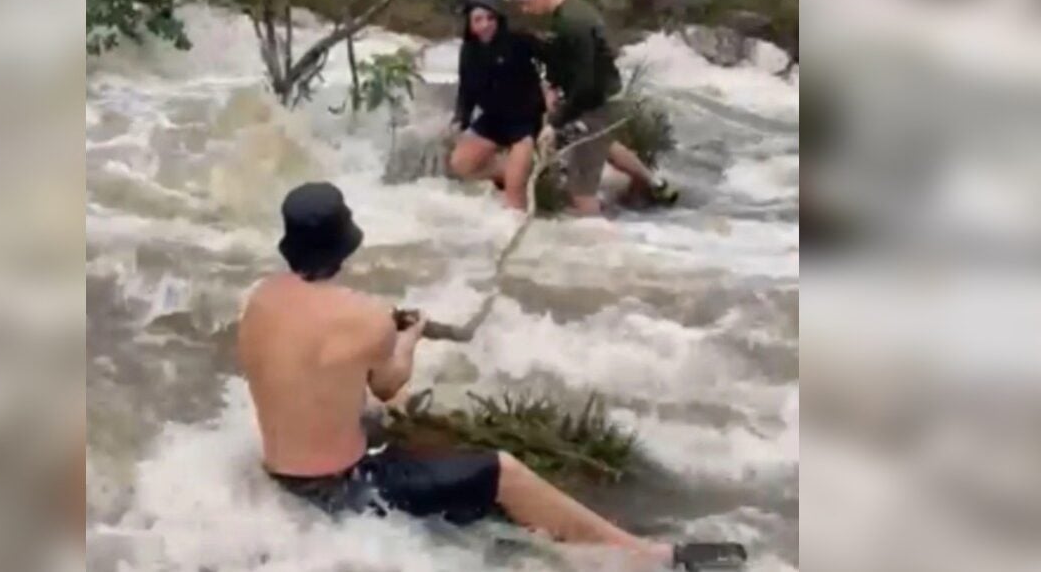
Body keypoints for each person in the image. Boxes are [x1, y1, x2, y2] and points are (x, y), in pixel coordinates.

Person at [236, 182, 746, 570]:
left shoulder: (258, 301)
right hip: (344, 490)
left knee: (376, 420)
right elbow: (390, 385)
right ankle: (648, 557)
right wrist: (409, 336)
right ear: (343, 248)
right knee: (501, 469)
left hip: (281, 474)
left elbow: (314, 366)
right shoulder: (367, 317)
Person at [509, 0, 679, 216]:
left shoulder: (572, 22)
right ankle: (655, 184)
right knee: (604, 144)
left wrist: (555, 122)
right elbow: (572, 61)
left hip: (595, 104)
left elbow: (585, 82)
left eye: (526, 2)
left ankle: (605, 248)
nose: (525, 9)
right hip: (603, 98)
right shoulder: (573, 11)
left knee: (581, 193)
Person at [448, 0, 546, 210]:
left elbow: (555, 60)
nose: (485, 25)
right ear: (470, 24)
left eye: (490, 18)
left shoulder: (518, 41)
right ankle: (516, 171)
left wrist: (554, 94)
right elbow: (466, 90)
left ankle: (518, 180)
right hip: (493, 119)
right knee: (460, 163)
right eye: (478, 20)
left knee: (513, 196)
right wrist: (460, 119)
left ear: (499, 19)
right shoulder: (468, 51)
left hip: (524, 121)